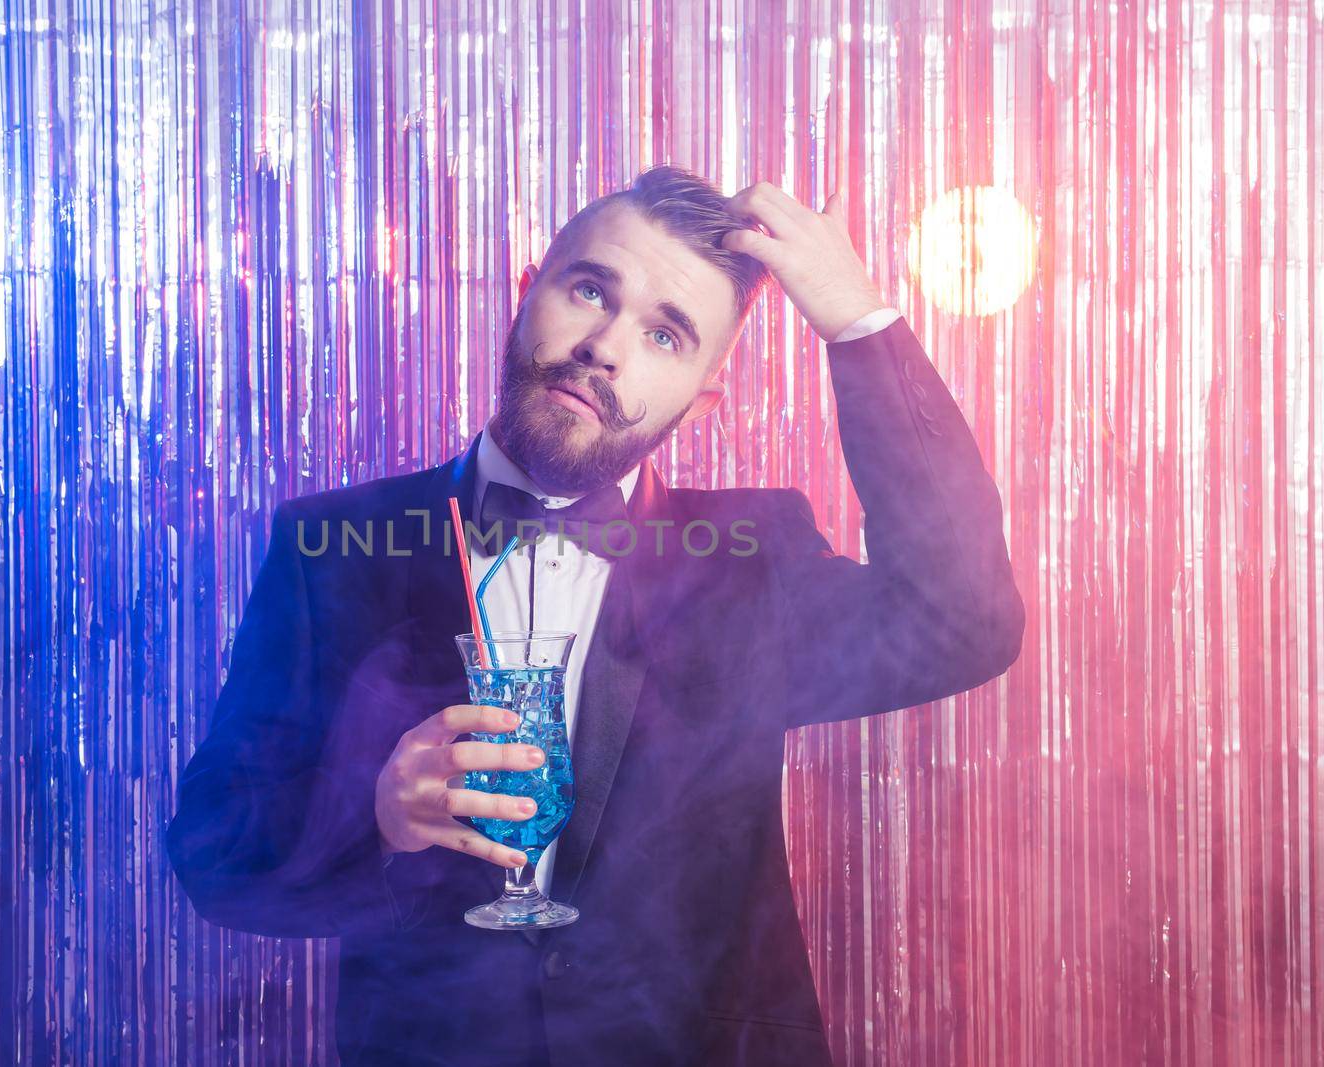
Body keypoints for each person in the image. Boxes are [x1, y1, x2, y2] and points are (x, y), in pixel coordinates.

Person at [166, 165, 1025, 1066]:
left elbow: (965, 617)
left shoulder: (755, 559)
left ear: (702, 397)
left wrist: (858, 323)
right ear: (526, 291)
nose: (607, 346)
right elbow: (214, 857)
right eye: (589, 290)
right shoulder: (339, 545)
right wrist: (374, 813)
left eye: (665, 333)